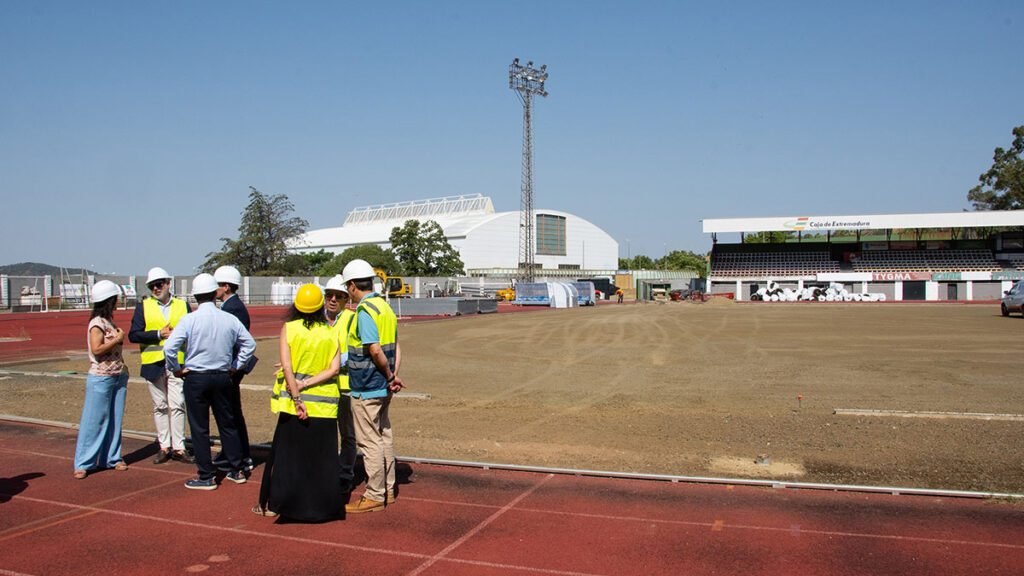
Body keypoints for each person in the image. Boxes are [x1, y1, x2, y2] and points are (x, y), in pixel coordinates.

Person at [254, 284, 342, 520]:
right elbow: (334, 369)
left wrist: (297, 395)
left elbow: (287, 367)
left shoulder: (289, 329)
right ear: (321, 306)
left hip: (294, 406)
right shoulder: (331, 332)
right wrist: (309, 383)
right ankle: (322, 508)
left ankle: (279, 505)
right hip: (324, 407)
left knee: (288, 459)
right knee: (322, 460)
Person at [164, 273, 256, 490]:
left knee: (199, 427)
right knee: (227, 423)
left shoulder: (189, 320)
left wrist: (176, 369)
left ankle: (206, 476)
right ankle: (236, 469)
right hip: (223, 376)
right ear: (215, 293)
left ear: (195, 296)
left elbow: (169, 348)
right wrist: (236, 365)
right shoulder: (228, 318)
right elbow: (249, 344)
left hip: (196, 377)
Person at [341, 259, 405, 514]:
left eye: (348, 287)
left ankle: (375, 494)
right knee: (384, 436)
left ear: (353, 285)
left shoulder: (365, 311)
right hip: (383, 386)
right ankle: (388, 489)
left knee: (369, 442)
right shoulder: (385, 308)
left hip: (367, 386)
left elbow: (375, 349)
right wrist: (393, 376)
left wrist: (388, 375)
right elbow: (397, 347)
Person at [128, 267, 193, 465]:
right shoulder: (143, 307)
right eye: (152, 286)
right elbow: (134, 334)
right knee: (160, 406)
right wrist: (158, 334)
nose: (156, 288)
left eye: (159, 284)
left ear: (168, 283)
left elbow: (192, 332)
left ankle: (179, 447)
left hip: (177, 364)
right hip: (153, 363)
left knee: (178, 405)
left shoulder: (183, 305)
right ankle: (164, 446)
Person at [73, 281, 130, 479]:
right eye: (115, 299)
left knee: (115, 420)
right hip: (101, 378)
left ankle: (112, 457)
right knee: (94, 420)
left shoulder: (108, 322)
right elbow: (96, 349)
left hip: (118, 376)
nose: (118, 302)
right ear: (109, 300)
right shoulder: (96, 323)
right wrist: (117, 339)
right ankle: (84, 462)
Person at [212, 265, 255, 473]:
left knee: (230, 412)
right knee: (231, 411)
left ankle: (238, 454)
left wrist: (232, 367)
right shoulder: (231, 306)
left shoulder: (232, 309)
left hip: (230, 368)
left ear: (226, 286)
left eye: (217, 286)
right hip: (232, 367)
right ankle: (235, 451)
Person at [324, 275, 358, 492]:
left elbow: (357, 352)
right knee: (324, 432)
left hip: (345, 387)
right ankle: (325, 470)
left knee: (347, 434)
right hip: (321, 388)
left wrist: (335, 361)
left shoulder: (352, 319)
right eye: (329, 295)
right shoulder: (316, 320)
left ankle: (345, 472)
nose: (333, 299)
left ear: (347, 300)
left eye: (339, 296)